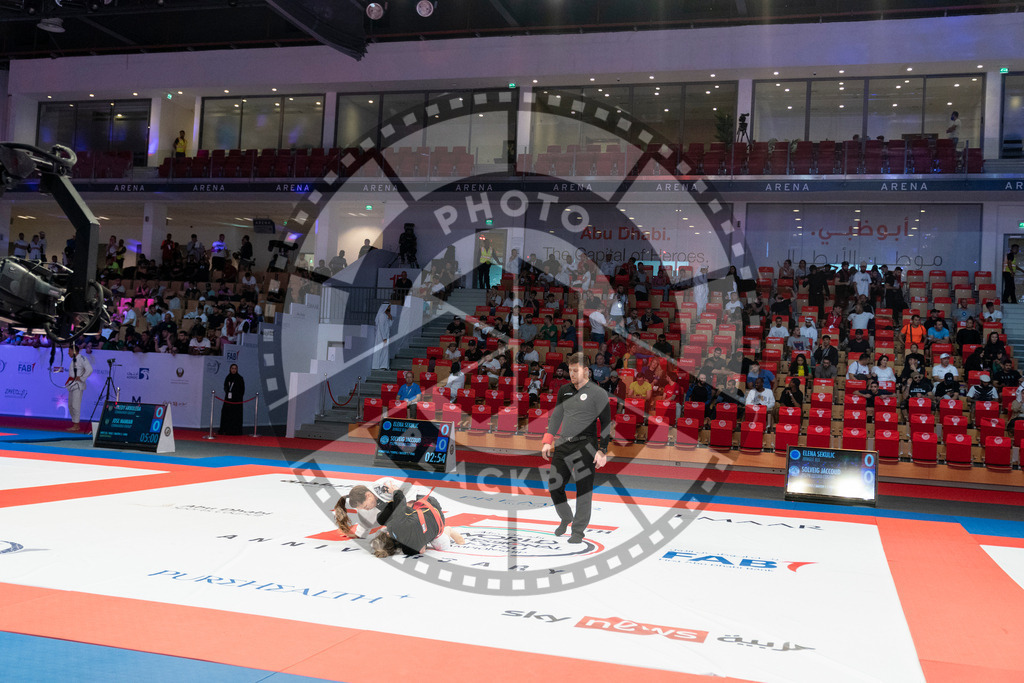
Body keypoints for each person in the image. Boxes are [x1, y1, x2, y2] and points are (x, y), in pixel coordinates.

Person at [541, 353, 611, 544]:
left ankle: (578, 531)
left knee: (584, 490)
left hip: (586, 445)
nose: (571, 374)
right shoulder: (564, 390)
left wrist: (602, 450)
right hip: (563, 443)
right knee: (555, 486)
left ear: (586, 371)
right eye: (570, 370)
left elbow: (606, 423)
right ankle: (566, 517)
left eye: (575, 371)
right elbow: (556, 416)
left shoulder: (598, 393)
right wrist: (548, 440)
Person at [65, 344, 92, 432]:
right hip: (72, 384)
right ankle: (74, 423)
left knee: (75, 405)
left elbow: (89, 369)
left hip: (78, 385)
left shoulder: (82, 359)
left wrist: (82, 378)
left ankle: (76, 425)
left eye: (69, 351)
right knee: (70, 405)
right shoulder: (73, 360)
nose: (68, 353)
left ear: (74, 351)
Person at [219, 364, 245, 435]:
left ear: (237, 369)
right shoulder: (228, 377)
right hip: (228, 400)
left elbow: (242, 390)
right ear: (230, 369)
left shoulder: (240, 378)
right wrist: (228, 392)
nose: (233, 370)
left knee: (235, 415)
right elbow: (225, 387)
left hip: (236, 401)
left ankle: (235, 431)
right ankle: (225, 430)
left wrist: (236, 397)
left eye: (235, 368)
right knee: (226, 414)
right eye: (232, 368)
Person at [372, 305, 393, 370]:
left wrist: (390, 318)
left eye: (390, 307)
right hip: (381, 337)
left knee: (385, 351)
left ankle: (383, 365)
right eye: (388, 306)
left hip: (386, 336)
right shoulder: (381, 315)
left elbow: (389, 326)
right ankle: (376, 366)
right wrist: (384, 337)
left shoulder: (386, 315)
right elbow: (381, 327)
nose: (389, 308)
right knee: (379, 351)